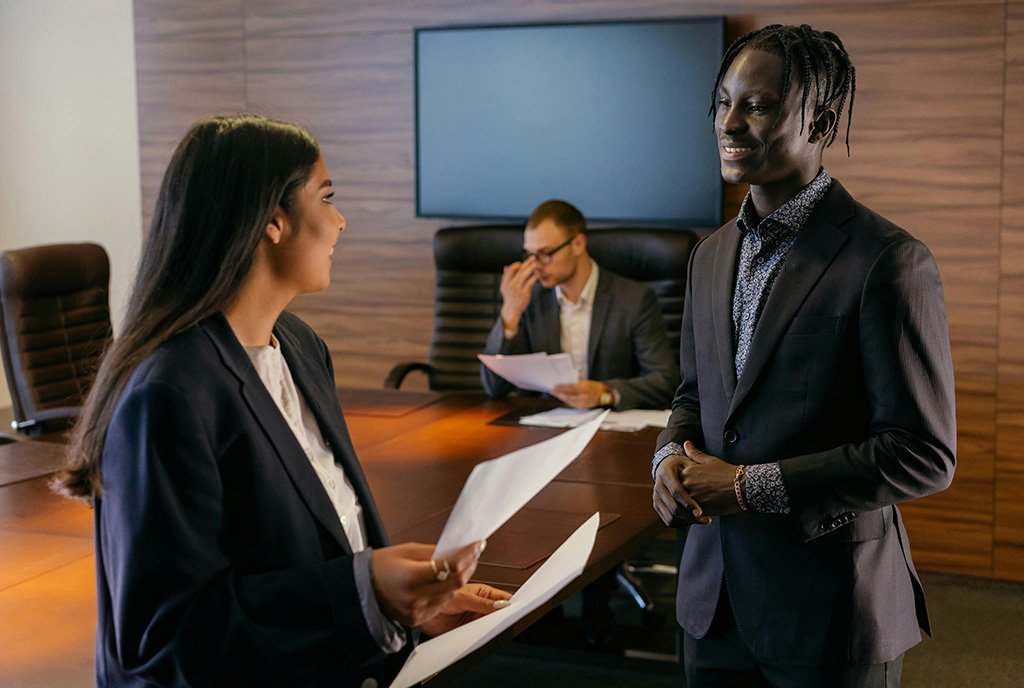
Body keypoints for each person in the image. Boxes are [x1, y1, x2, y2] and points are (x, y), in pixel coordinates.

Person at [54, 114, 511, 688]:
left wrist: (402, 608)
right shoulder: (168, 394)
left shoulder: (299, 345)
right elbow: (168, 641)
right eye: (327, 197)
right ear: (272, 220)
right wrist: (364, 593)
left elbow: (314, 549)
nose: (341, 222)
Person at [651, 25, 956, 687]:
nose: (730, 122)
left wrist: (744, 487)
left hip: (830, 610)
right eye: (722, 103)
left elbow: (922, 453)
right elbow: (693, 396)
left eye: (756, 105)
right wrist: (668, 458)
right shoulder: (708, 256)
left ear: (818, 120)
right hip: (715, 601)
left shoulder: (888, 261)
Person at [481, 199, 679, 410]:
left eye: (546, 254)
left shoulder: (633, 299)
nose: (536, 266)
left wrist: (605, 393)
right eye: (530, 255)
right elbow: (494, 388)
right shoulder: (530, 299)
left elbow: (665, 381)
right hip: (547, 423)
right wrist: (510, 315)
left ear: (578, 244)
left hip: (611, 424)